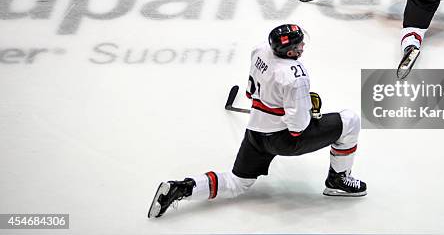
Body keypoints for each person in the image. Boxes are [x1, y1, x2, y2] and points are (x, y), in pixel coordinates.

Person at [148, 24, 366, 219]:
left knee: (236, 183)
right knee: (350, 121)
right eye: (299, 45)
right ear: (290, 52)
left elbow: (251, 94)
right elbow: (298, 126)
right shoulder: (295, 75)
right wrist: (311, 114)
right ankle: (337, 180)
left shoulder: (261, 50)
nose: (302, 47)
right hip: (284, 140)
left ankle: (183, 188)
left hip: (255, 133)